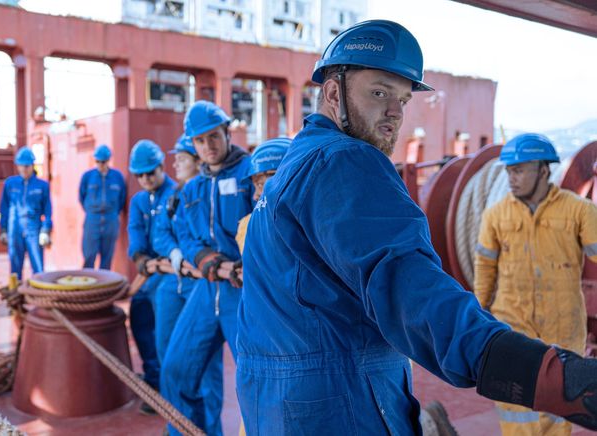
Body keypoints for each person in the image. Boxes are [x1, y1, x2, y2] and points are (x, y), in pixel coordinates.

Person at [236, 19, 597, 435]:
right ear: (333, 93)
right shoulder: (344, 161)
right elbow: (407, 287)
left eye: (403, 100)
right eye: (379, 93)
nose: (395, 111)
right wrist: (543, 375)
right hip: (339, 407)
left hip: (282, 407)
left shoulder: (293, 168)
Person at [474, 133, 597, 435]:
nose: (511, 178)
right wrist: (478, 315)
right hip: (512, 328)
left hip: (563, 327)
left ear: (543, 170)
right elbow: (485, 268)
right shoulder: (496, 215)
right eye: (508, 171)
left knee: (561, 411)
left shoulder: (579, 210)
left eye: (518, 170)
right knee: (516, 411)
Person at [160, 101, 254, 435]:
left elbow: (265, 230)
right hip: (209, 289)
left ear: (227, 133)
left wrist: (242, 267)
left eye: (214, 137)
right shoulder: (194, 188)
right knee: (175, 372)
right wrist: (209, 261)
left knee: (258, 382)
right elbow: (185, 235)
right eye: (199, 141)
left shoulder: (250, 174)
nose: (208, 147)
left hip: (245, 294)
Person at [152, 135, 223, 430]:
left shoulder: (211, 193)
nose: (175, 164)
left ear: (197, 160)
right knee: (170, 360)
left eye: (181, 158)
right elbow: (160, 232)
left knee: (207, 371)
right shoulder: (174, 196)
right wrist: (173, 250)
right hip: (173, 282)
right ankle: (179, 429)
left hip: (202, 284)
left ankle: (209, 429)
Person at [126, 139, 175, 414]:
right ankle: (153, 381)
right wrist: (139, 258)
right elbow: (134, 233)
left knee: (164, 335)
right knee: (139, 320)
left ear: (161, 167)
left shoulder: (176, 194)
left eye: (150, 173)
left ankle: (169, 393)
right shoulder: (139, 201)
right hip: (148, 275)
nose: (145, 179)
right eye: (140, 175)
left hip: (170, 277)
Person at [0, 147, 53, 280]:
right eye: (21, 166)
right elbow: (4, 208)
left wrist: (45, 230)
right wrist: (3, 230)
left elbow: (47, 210)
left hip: (33, 228)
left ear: (32, 166)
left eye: (26, 166)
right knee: (15, 267)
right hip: (14, 228)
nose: (24, 169)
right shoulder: (10, 184)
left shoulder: (42, 185)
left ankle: (40, 297)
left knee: (38, 266)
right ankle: (15, 297)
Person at [79, 144, 126, 269]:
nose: (100, 164)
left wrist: (113, 212)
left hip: (111, 219)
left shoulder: (117, 177)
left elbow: (122, 198)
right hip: (92, 218)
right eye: (98, 161)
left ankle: (103, 286)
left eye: (103, 162)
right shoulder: (88, 177)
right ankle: (88, 285)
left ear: (108, 161)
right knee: (89, 254)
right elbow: (82, 196)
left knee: (107, 256)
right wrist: (92, 210)